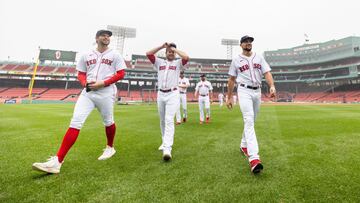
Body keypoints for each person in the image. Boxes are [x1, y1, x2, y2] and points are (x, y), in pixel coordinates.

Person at [32, 30, 127, 173]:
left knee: (108, 122)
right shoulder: (86, 54)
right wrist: (84, 83)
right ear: (97, 38)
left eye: (108, 36)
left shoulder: (115, 54)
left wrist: (103, 83)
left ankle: (110, 147)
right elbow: (81, 73)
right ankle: (58, 161)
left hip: (106, 91)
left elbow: (121, 74)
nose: (107, 37)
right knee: (75, 122)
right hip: (88, 93)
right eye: (103, 35)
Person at [227, 35, 276, 174]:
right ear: (241, 44)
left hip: (257, 91)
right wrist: (229, 97)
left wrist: (272, 86)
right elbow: (231, 80)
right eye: (245, 42)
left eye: (250, 41)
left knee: (252, 121)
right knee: (249, 120)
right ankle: (254, 159)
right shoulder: (236, 60)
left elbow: (267, 73)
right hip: (244, 90)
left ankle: (243, 145)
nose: (248, 43)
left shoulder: (259, 57)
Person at [146, 42, 189, 161]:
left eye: (172, 51)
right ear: (165, 53)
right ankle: (164, 141)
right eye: (169, 51)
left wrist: (175, 49)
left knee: (169, 119)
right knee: (162, 120)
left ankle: (167, 148)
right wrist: (161, 46)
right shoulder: (159, 62)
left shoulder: (178, 63)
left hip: (173, 93)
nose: (170, 53)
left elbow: (186, 57)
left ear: (175, 53)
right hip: (161, 93)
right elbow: (148, 54)